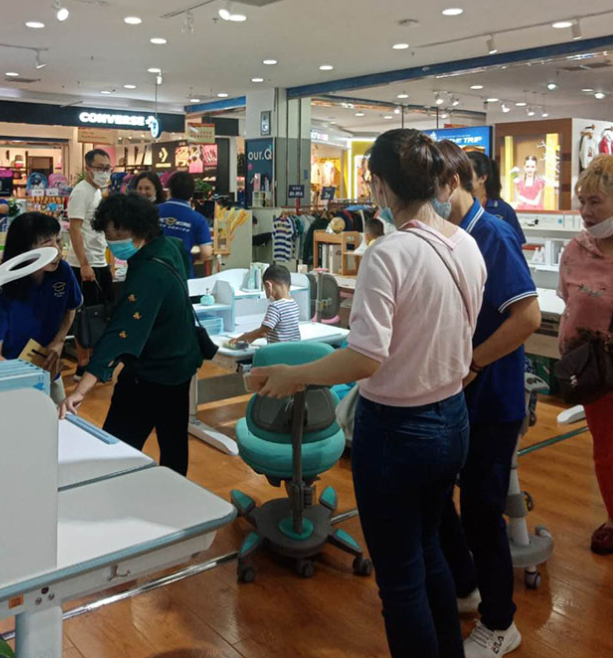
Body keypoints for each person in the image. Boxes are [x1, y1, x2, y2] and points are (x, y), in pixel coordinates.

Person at [249, 129, 487, 658]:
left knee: (400, 580)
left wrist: (293, 375)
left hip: (397, 430)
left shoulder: (388, 254)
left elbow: (365, 358)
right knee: (429, 549)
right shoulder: (466, 243)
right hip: (453, 419)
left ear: (378, 185)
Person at [434, 140, 541, 658]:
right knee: (442, 499)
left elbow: (528, 317)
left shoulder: (491, 235)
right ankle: (466, 586)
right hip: (456, 395)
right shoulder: (448, 237)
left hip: (491, 399)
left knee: (481, 511)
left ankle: (500, 623)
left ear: (452, 183)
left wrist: (473, 363)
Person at [59, 193, 202, 476]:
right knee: (173, 442)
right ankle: (177, 494)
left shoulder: (149, 273)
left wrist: (80, 390)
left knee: (116, 448)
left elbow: (121, 333)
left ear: (139, 230)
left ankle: (114, 491)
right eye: (108, 236)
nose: (113, 243)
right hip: (181, 361)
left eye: (118, 235)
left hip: (151, 372)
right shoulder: (169, 246)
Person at [558, 154, 613, 555]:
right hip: (596, 371)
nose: (586, 211)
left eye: (595, 202)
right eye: (582, 202)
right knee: (606, 450)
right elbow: (569, 300)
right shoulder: (575, 251)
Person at [0, 212, 82, 405]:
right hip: (6, 377)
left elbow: (70, 308)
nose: (57, 251)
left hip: (47, 371)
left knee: (60, 417)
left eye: (58, 241)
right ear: (24, 249)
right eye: (48, 245)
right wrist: (31, 381)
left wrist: (58, 342)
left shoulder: (62, 272)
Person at [66, 149, 115, 381]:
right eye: (99, 167)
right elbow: (74, 229)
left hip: (98, 261)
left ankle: (95, 364)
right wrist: (85, 264)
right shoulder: (81, 192)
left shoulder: (96, 192)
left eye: (107, 168)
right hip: (83, 265)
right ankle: (83, 365)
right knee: (86, 316)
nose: (104, 172)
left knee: (102, 314)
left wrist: (108, 261)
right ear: (87, 168)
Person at [157, 171, 213, 277]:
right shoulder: (198, 219)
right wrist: (192, 258)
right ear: (191, 193)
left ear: (169, 190)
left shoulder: (154, 211)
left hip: (154, 270)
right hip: (182, 274)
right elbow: (206, 252)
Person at [231, 264, 301, 345]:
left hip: (279, 351)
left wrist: (242, 338)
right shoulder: (294, 304)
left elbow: (263, 332)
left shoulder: (275, 307)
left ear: (268, 286)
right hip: (294, 350)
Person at [467, 151, 526, 245]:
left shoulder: (504, 210)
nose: (461, 178)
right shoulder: (457, 208)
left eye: (467, 173)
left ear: (482, 178)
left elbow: (516, 245)